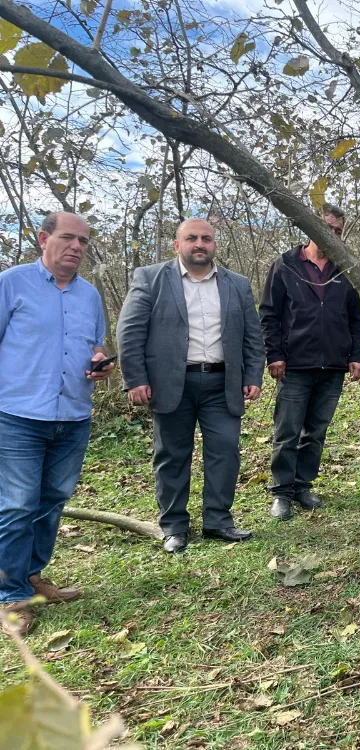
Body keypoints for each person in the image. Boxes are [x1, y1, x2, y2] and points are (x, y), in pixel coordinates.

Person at [117, 218, 265, 553]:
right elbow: (130, 332)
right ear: (177, 244)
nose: (200, 244)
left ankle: (218, 521)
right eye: (192, 238)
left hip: (221, 383)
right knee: (171, 455)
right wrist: (135, 379)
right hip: (171, 384)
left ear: (215, 244)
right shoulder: (150, 279)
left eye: (207, 239)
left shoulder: (236, 284)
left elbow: (253, 336)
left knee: (225, 451)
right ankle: (174, 527)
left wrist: (253, 376)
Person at [0, 212, 115, 636]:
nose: (77, 247)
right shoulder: (11, 283)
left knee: (51, 500)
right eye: (68, 238)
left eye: (84, 242)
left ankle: (31, 576)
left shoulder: (89, 295)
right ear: (43, 238)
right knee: (16, 505)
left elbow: (95, 346)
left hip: (72, 416)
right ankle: (9, 595)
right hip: (17, 415)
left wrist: (99, 366)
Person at [259, 204, 360, 521]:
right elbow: (269, 315)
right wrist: (274, 354)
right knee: (287, 432)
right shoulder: (285, 265)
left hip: (333, 365)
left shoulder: (344, 268)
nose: (331, 235)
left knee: (316, 432)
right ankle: (281, 493)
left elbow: (356, 318)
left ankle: (303, 486)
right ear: (309, 229)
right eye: (325, 228)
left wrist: (356, 355)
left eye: (336, 231)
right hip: (295, 365)